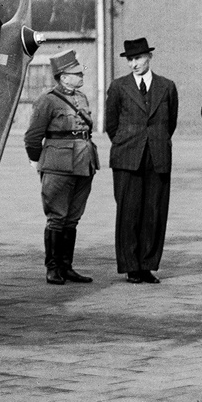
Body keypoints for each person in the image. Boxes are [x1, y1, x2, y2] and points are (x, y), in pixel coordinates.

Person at [103, 37, 179, 284]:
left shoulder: (167, 87)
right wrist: (128, 142)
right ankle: (130, 266)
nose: (134, 64)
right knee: (129, 212)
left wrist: (155, 141)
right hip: (127, 156)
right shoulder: (118, 87)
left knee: (154, 212)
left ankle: (147, 265)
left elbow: (171, 123)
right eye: (130, 60)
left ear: (149, 57)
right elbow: (111, 124)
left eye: (138, 58)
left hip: (157, 157)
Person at [25, 50, 100, 284]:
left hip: (84, 163)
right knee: (57, 217)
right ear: (63, 77)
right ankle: (53, 267)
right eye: (76, 73)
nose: (80, 76)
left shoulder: (83, 98)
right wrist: (37, 160)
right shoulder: (47, 100)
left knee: (73, 218)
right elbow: (33, 135)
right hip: (57, 165)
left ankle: (67, 266)